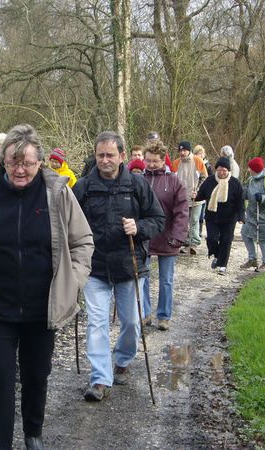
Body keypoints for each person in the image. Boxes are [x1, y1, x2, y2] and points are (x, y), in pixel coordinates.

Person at [0, 124, 94, 450]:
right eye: (13, 162)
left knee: (36, 374)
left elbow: (83, 241)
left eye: (27, 163)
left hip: (42, 306)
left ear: (40, 162)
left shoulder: (58, 194)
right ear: (1, 161)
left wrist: (73, 283)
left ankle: (33, 434)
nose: (20, 169)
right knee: (0, 377)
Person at [73, 131, 165, 402]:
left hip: (129, 265)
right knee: (97, 323)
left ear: (122, 156)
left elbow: (158, 219)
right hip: (94, 267)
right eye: (100, 155)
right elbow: (68, 222)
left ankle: (122, 360)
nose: (104, 160)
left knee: (131, 323)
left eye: (110, 155)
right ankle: (100, 378)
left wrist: (139, 227)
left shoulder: (137, 185)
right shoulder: (84, 187)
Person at [142, 140, 189, 331]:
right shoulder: (139, 179)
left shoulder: (174, 181)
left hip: (167, 236)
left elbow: (182, 211)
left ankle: (164, 316)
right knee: (141, 276)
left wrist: (178, 236)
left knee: (166, 279)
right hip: (144, 236)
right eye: (148, 160)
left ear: (163, 160)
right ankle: (144, 313)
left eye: (155, 161)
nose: (151, 164)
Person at [195, 157, 245, 275]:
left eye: (224, 170)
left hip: (229, 218)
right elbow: (202, 194)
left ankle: (223, 265)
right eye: (219, 170)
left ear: (228, 171)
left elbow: (240, 202)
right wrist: (195, 196)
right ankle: (217, 255)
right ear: (216, 170)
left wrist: (241, 216)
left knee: (226, 240)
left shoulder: (235, 183)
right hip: (212, 216)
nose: (222, 173)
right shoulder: (210, 181)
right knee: (212, 239)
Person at [240, 156, 265, 272]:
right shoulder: (251, 179)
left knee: (263, 239)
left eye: (250, 168)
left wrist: (262, 198)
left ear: (256, 169)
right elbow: (247, 193)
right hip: (251, 214)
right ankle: (252, 259)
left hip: (264, 216)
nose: (248, 170)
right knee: (245, 234)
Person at [172, 140, 208, 254]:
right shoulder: (176, 163)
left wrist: (198, 191)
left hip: (195, 198)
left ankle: (194, 243)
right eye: (181, 150)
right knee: (183, 221)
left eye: (184, 150)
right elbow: (173, 180)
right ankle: (185, 241)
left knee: (194, 220)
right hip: (181, 198)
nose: (182, 153)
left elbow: (204, 177)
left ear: (189, 150)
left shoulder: (197, 161)